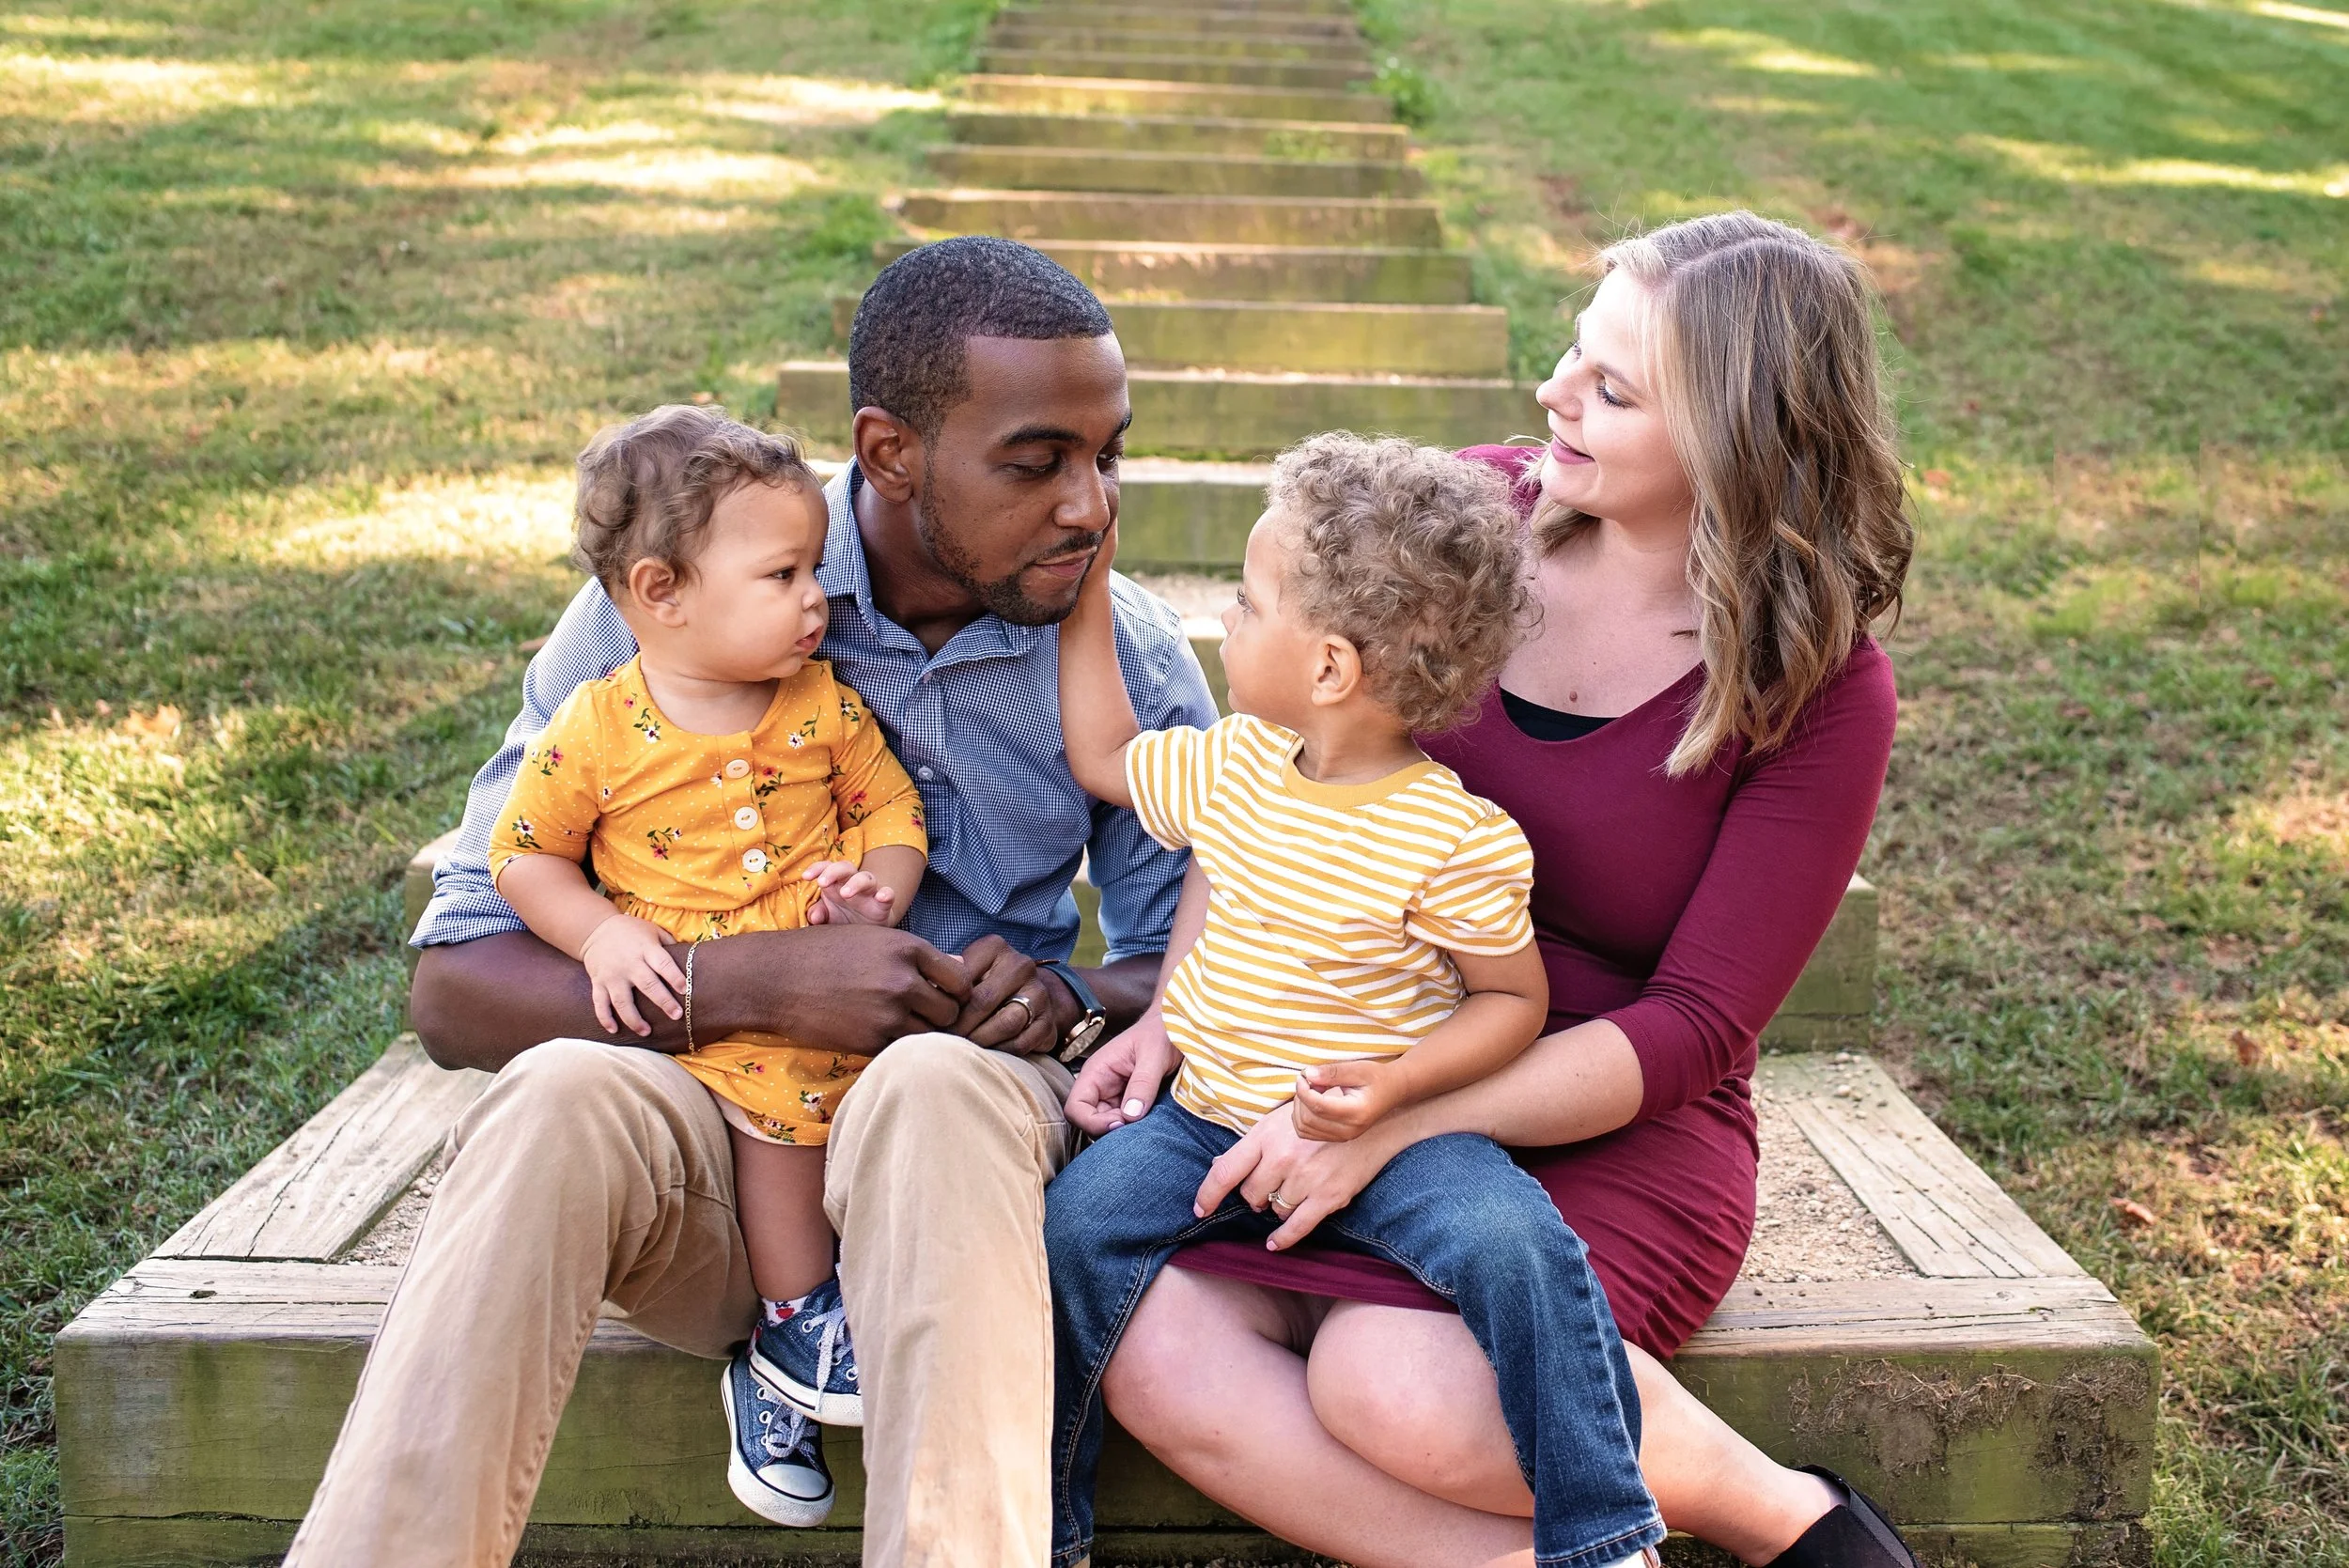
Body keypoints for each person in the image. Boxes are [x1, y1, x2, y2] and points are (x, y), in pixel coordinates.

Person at [285, 236, 1219, 1568]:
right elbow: (455, 988)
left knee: (934, 1089)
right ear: (890, 453)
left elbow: (1210, 958)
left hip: (964, 1165)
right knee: (553, 1097)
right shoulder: (671, 601)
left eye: (1108, 454)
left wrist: (1071, 994)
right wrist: (753, 985)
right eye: (1037, 461)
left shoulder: (1122, 656)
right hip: (717, 1153)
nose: (1090, 505)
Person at [1070, 212, 1923, 1568]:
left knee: (1391, 1386)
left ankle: (1790, 1518)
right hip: (1323, 1057)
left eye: (1612, 389)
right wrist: (1180, 1018)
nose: (1551, 397)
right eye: (1570, 357)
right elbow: (1281, 786)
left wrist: (1400, 1122)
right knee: (1156, 1350)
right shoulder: (1465, 525)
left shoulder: (1815, 687)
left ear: (1738, 439)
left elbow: (1698, 1024)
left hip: (1607, 1120)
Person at [1049, 433, 1664, 1568]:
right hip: (1206, 1122)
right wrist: (1091, 581)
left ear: (1328, 666)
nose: (1223, 622)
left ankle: (1604, 1532)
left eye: (1244, 602)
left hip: (1389, 1138)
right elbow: (1100, 750)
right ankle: (1052, 1528)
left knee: (1516, 1241)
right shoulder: (1230, 765)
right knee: (1077, 1227)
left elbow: (1510, 1004)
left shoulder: (1456, 836)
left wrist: (1391, 1091)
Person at [487, 406, 930, 1524]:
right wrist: (599, 932)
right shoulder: (595, 728)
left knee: (861, 1132)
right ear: (659, 591)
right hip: (705, 1033)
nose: (816, 599)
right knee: (779, 1132)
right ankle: (793, 1327)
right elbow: (521, 856)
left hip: (835, 1009)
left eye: (813, 568)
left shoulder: (823, 705)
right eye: (781, 574)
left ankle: (779, 1375)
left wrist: (876, 888)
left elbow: (890, 806)